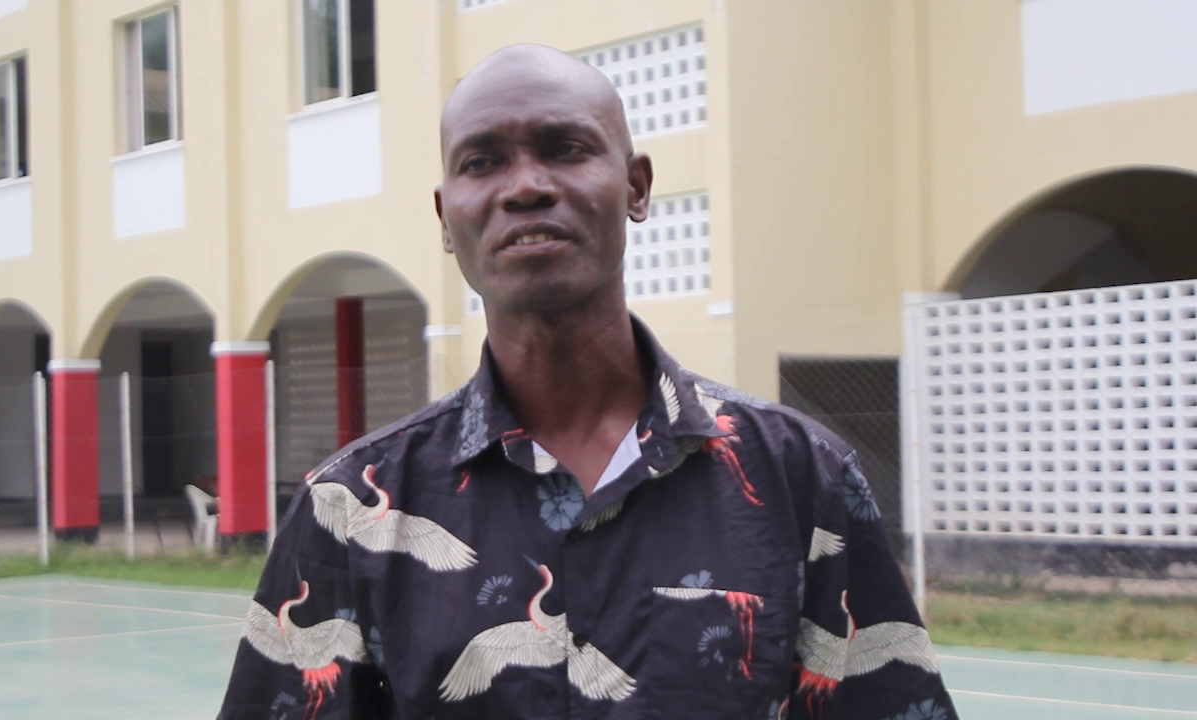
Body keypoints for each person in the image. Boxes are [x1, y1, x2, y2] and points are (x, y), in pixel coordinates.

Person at [217, 44, 958, 720]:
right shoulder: (349, 509)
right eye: (482, 162)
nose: (526, 186)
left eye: (565, 149)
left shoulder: (799, 478)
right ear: (446, 219)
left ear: (636, 186)